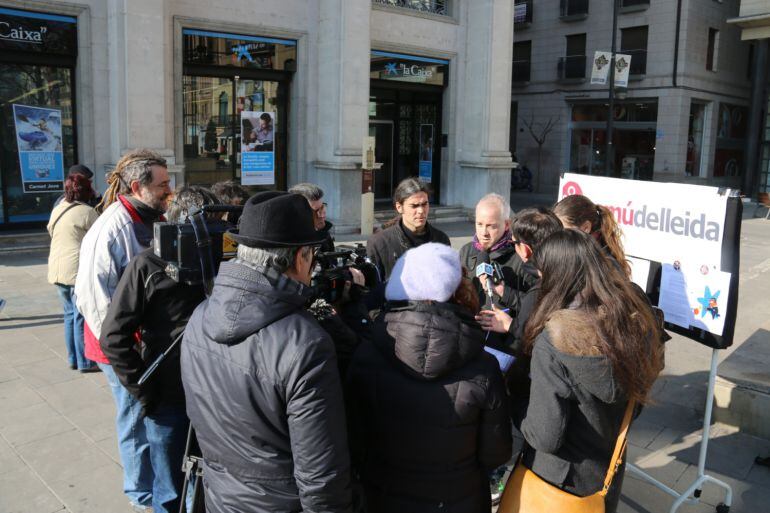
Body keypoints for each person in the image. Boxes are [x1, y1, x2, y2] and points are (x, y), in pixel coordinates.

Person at [180, 192, 353, 513]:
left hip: (222, 498)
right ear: (301, 256)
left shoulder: (200, 315)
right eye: (312, 254)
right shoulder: (305, 344)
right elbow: (320, 477)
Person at [347, 242, 512, 513]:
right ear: (459, 292)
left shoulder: (367, 356)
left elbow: (353, 440)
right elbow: (496, 452)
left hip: (383, 497)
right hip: (459, 500)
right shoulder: (483, 366)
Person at [513, 229, 664, 513]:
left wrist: (517, 405)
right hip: (606, 473)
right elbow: (636, 403)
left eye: (543, 273)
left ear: (559, 276)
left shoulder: (555, 338)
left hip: (556, 480)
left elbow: (546, 435)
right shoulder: (634, 322)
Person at [100, 186, 219, 513]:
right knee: (169, 489)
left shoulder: (223, 264)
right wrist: (143, 390)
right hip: (168, 397)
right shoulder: (148, 265)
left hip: (217, 397)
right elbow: (113, 336)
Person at [75, 149, 172, 512]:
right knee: (133, 417)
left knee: (143, 414)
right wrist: (123, 354)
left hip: (139, 341)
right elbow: (92, 297)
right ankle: (140, 493)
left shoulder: (146, 217)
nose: (169, 189)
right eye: (163, 184)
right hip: (119, 347)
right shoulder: (112, 227)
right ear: (137, 186)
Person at [47, 173, 99, 372]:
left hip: (57, 267)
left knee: (69, 315)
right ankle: (85, 361)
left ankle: (72, 359)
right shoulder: (87, 212)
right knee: (79, 316)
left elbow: (51, 230)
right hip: (76, 270)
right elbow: (99, 239)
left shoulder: (58, 208)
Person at [459, 193, 536, 313]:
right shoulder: (466, 251)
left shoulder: (521, 257)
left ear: (506, 225)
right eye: (479, 224)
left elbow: (535, 307)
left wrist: (505, 293)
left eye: (491, 226)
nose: (484, 232)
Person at [366, 177, 450, 280]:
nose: (421, 210)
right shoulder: (379, 243)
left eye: (424, 204)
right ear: (399, 207)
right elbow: (373, 289)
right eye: (414, 206)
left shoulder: (441, 240)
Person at [553, 194, 631, 277]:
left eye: (564, 231)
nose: (557, 238)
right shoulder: (576, 256)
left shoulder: (605, 266)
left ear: (586, 228)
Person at [289, 182, 335, 253]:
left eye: (322, 207)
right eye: (315, 211)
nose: (322, 215)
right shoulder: (287, 241)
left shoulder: (324, 233)